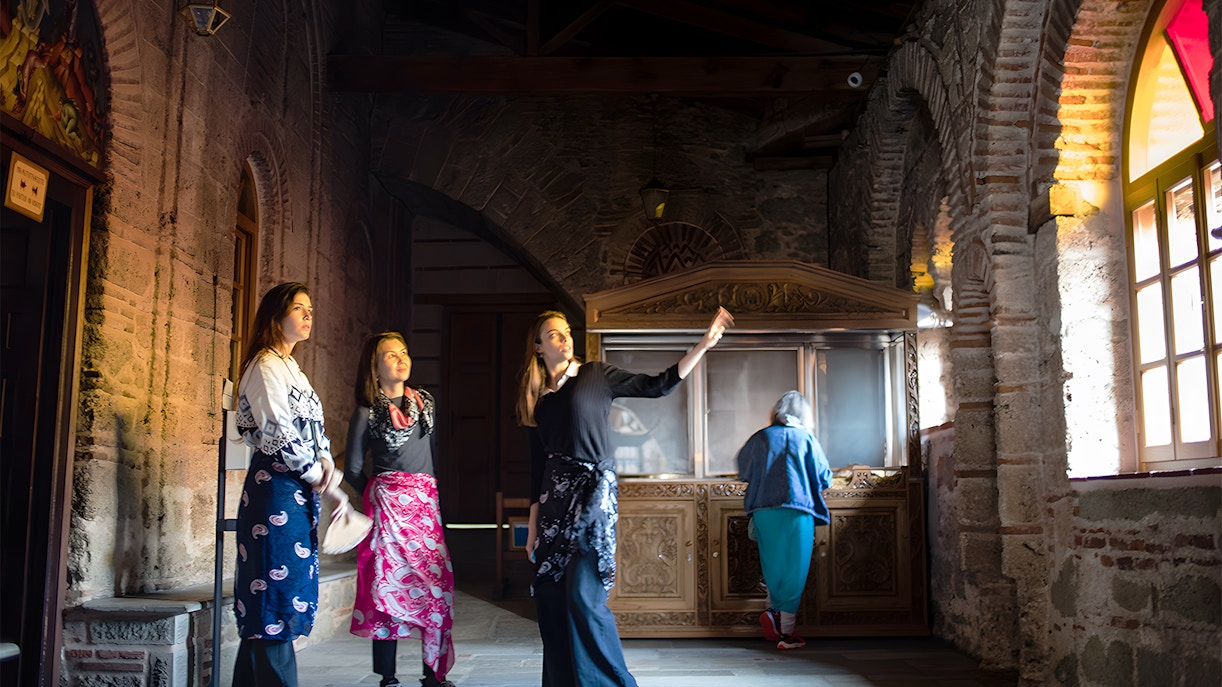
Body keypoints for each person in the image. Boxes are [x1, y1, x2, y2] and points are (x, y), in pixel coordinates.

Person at [518, 306, 734, 687]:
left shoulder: (594, 375)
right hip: (553, 506)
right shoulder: (540, 400)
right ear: (537, 347)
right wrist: (533, 527)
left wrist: (704, 344)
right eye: (553, 334)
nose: (564, 338)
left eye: (566, 331)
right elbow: (538, 469)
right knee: (550, 598)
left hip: (592, 500)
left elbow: (657, 385)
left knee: (583, 595)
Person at [232, 282, 348, 687]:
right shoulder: (264, 365)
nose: (308, 314)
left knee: (280, 592)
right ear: (276, 315)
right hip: (275, 489)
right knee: (273, 596)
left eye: (310, 309)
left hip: (297, 489)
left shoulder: (292, 368)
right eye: (299, 308)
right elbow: (278, 431)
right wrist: (319, 477)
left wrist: (327, 464)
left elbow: (313, 430)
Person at [344, 332, 456, 687]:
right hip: (388, 510)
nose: (401, 359)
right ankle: (388, 677)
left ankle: (433, 674)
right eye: (390, 355)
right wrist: (381, 494)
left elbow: (431, 455)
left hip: (424, 506)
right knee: (387, 588)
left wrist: (426, 494)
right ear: (374, 368)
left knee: (435, 587)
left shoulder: (425, 403)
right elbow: (352, 469)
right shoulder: (366, 412)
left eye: (404, 352)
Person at [735, 390, 833, 650]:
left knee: (773, 565)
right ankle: (787, 634)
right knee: (794, 569)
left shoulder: (762, 437)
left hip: (763, 509)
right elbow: (824, 476)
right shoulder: (806, 439)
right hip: (797, 509)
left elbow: (743, 469)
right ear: (804, 414)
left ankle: (773, 616)